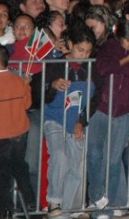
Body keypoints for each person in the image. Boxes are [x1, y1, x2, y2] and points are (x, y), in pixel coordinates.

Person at [86, 20, 129, 214]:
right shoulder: (109, 47)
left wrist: (126, 61)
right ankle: (96, 195)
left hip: (122, 112)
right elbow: (103, 67)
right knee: (94, 154)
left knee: (113, 161)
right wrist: (126, 60)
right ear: (126, 40)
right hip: (100, 109)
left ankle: (105, 209)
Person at [42, 22, 96, 217]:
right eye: (81, 50)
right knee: (60, 156)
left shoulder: (90, 67)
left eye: (89, 51)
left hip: (76, 122)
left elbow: (93, 101)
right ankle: (54, 202)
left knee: (75, 165)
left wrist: (82, 121)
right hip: (54, 118)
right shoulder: (55, 64)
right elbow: (42, 96)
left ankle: (70, 208)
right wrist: (53, 85)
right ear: (70, 44)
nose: (85, 55)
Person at [0, 44, 35, 218]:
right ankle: (29, 199)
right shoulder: (18, 80)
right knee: (19, 166)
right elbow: (27, 104)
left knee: (0, 174)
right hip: (19, 132)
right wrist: (27, 86)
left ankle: (6, 209)